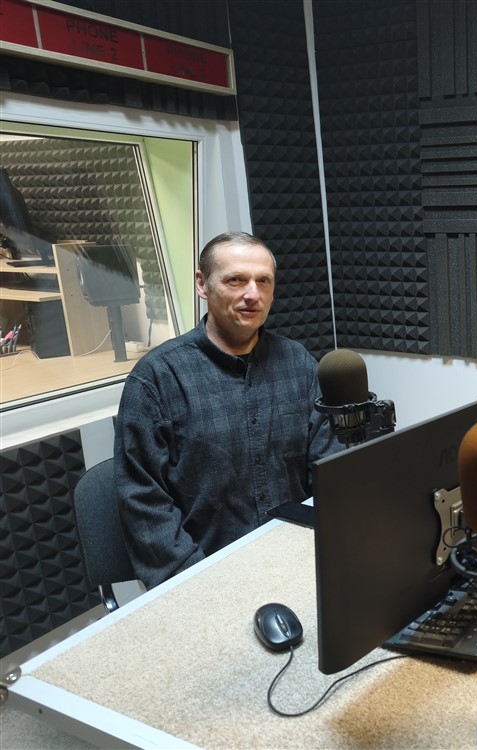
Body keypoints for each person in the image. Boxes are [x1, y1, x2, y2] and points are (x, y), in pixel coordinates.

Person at [114, 231, 341, 588]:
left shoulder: (298, 362)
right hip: (209, 572)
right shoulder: (157, 378)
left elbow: (329, 466)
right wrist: (202, 584)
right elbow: (144, 502)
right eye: (236, 280)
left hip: (297, 558)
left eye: (263, 281)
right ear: (202, 284)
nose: (253, 294)